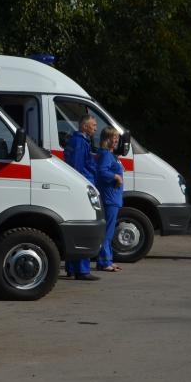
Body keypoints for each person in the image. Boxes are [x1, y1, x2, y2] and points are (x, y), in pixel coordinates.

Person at [63, 114, 100, 281]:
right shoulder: (80, 142)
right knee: (84, 227)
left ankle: (72, 267)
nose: (95, 128)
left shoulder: (78, 141)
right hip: (83, 187)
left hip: (81, 187)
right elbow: (77, 168)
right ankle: (82, 270)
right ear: (85, 126)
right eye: (93, 125)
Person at [94, 127, 124, 272]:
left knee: (110, 231)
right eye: (114, 137)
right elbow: (102, 171)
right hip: (110, 197)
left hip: (114, 197)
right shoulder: (106, 155)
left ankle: (108, 260)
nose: (116, 140)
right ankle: (104, 261)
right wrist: (116, 177)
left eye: (117, 137)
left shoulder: (112, 155)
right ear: (106, 139)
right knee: (108, 231)